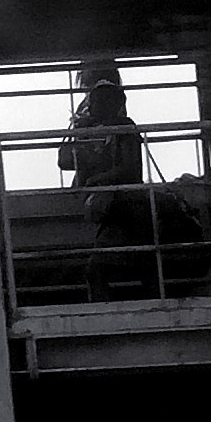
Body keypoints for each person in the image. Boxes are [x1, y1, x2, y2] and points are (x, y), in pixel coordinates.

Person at [61, 76, 160, 298]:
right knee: (138, 266)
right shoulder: (95, 135)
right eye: (92, 103)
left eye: (98, 102)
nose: (92, 107)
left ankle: (152, 306)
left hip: (129, 207)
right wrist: (75, 131)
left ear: (113, 104)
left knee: (102, 269)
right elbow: (64, 161)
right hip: (114, 210)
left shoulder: (125, 128)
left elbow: (130, 169)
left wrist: (97, 180)